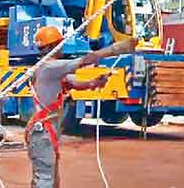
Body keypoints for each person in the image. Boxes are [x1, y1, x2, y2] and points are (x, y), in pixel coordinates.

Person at [27, 26, 138, 188]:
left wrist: (94, 83)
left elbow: (75, 82)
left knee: (52, 178)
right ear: (54, 46)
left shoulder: (53, 70)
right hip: (42, 133)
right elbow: (86, 59)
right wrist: (117, 49)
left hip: (46, 133)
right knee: (45, 179)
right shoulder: (49, 67)